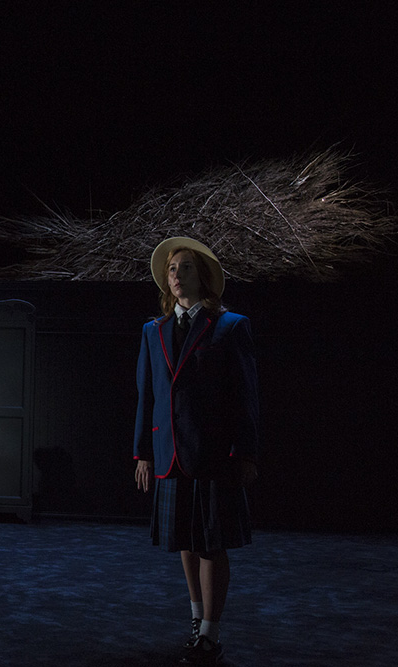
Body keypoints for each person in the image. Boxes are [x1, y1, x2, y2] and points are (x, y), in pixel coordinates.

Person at [133, 237, 259, 665]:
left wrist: (246, 453)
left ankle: (211, 631)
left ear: (202, 277)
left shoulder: (230, 326)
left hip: (212, 455)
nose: (177, 275)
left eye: (185, 267)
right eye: (172, 269)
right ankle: (196, 618)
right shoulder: (153, 331)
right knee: (184, 543)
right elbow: (147, 396)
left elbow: (245, 396)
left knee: (210, 544)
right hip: (170, 453)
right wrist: (143, 453)